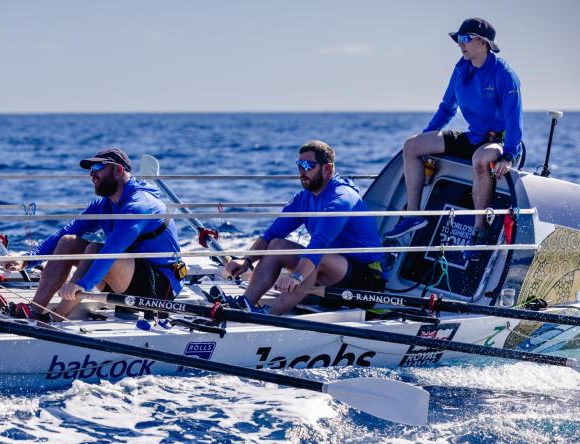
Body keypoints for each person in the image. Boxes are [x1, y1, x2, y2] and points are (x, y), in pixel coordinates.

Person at [383, 18, 523, 261]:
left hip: (500, 141)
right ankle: (413, 216)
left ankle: (478, 233)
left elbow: (513, 118)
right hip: (473, 137)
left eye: (465, 39)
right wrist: (427, 140)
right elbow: (447, 109)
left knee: (480, 160)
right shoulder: (461, 70)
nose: (460, 44)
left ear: (483, 42)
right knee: (412, 145)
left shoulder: (505, 74)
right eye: (458, 39)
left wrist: (509, 155)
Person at [3, 148, 185, 320]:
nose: (91, 173)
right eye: (90, 168)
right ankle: (35, 310)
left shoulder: (139, 205)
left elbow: (112, 249)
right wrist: (28, 259)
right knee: (68, 242)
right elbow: (67, 232)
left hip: (159, 288)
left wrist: (84, 284)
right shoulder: (104, 204)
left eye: (98, 167)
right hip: (126, 277)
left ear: (118, 169)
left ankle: (55, 318)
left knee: (96, 248)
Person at [223, 140, 387, 315]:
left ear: (327, 169)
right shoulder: (303, 198)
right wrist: (247, 261)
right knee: (277, 244)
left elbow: (319, 244)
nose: (302, 171)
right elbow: (271, 234)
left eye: (309, 165)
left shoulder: (342, 198)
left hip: (367, 276)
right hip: (331, 266)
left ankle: (270, 314)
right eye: (299, 165)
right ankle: (245, 303)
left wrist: (296, 277)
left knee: (316, 256)